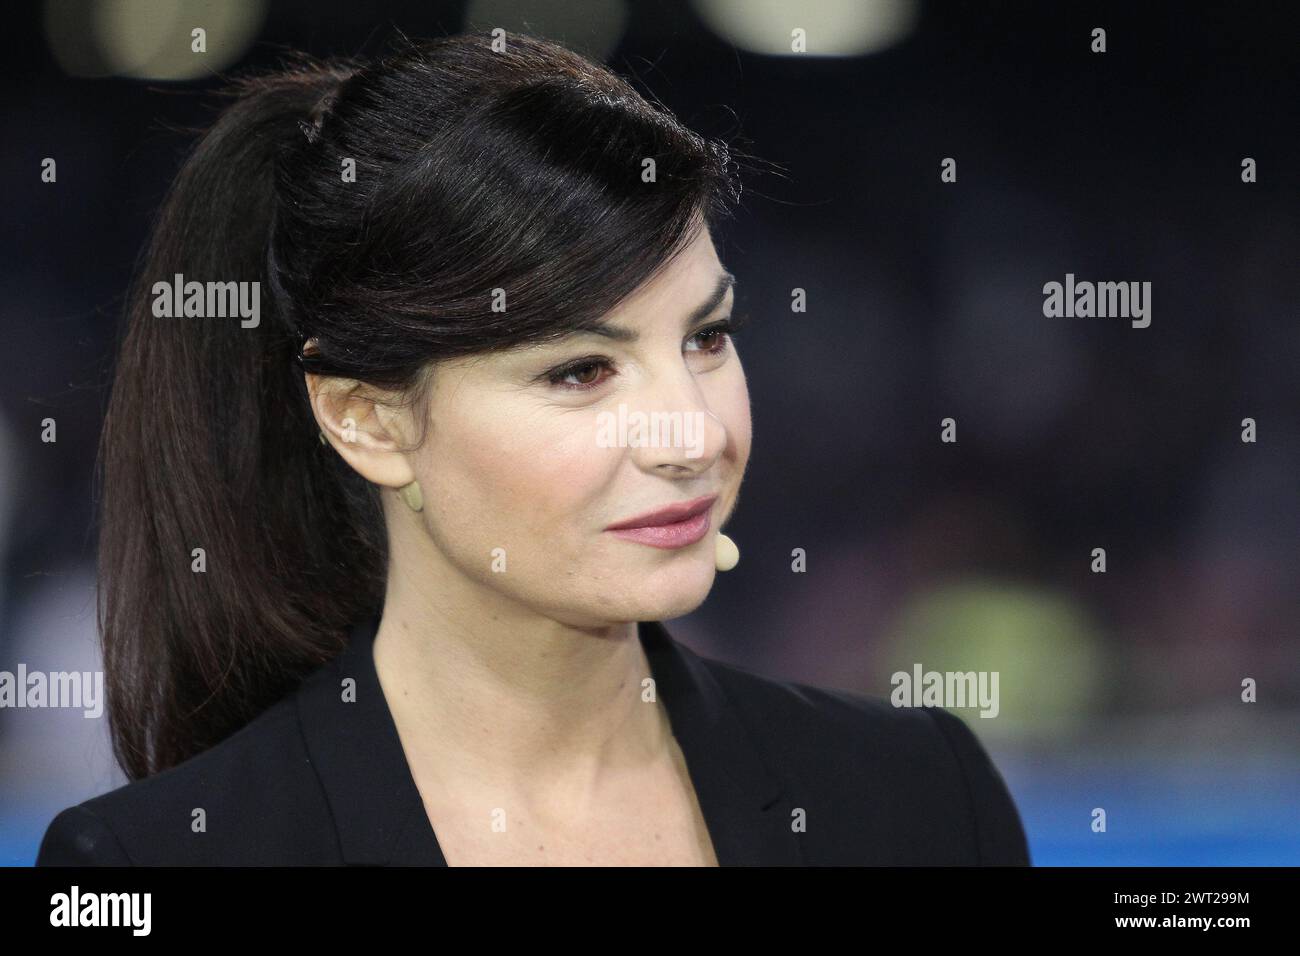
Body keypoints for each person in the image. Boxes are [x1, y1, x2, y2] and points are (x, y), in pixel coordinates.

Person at [36, 30, 1029, 866]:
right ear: (367, 419)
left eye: (706, 338)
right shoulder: (152, 862)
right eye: (579, 372)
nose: (692, 433)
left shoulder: (919, 802)